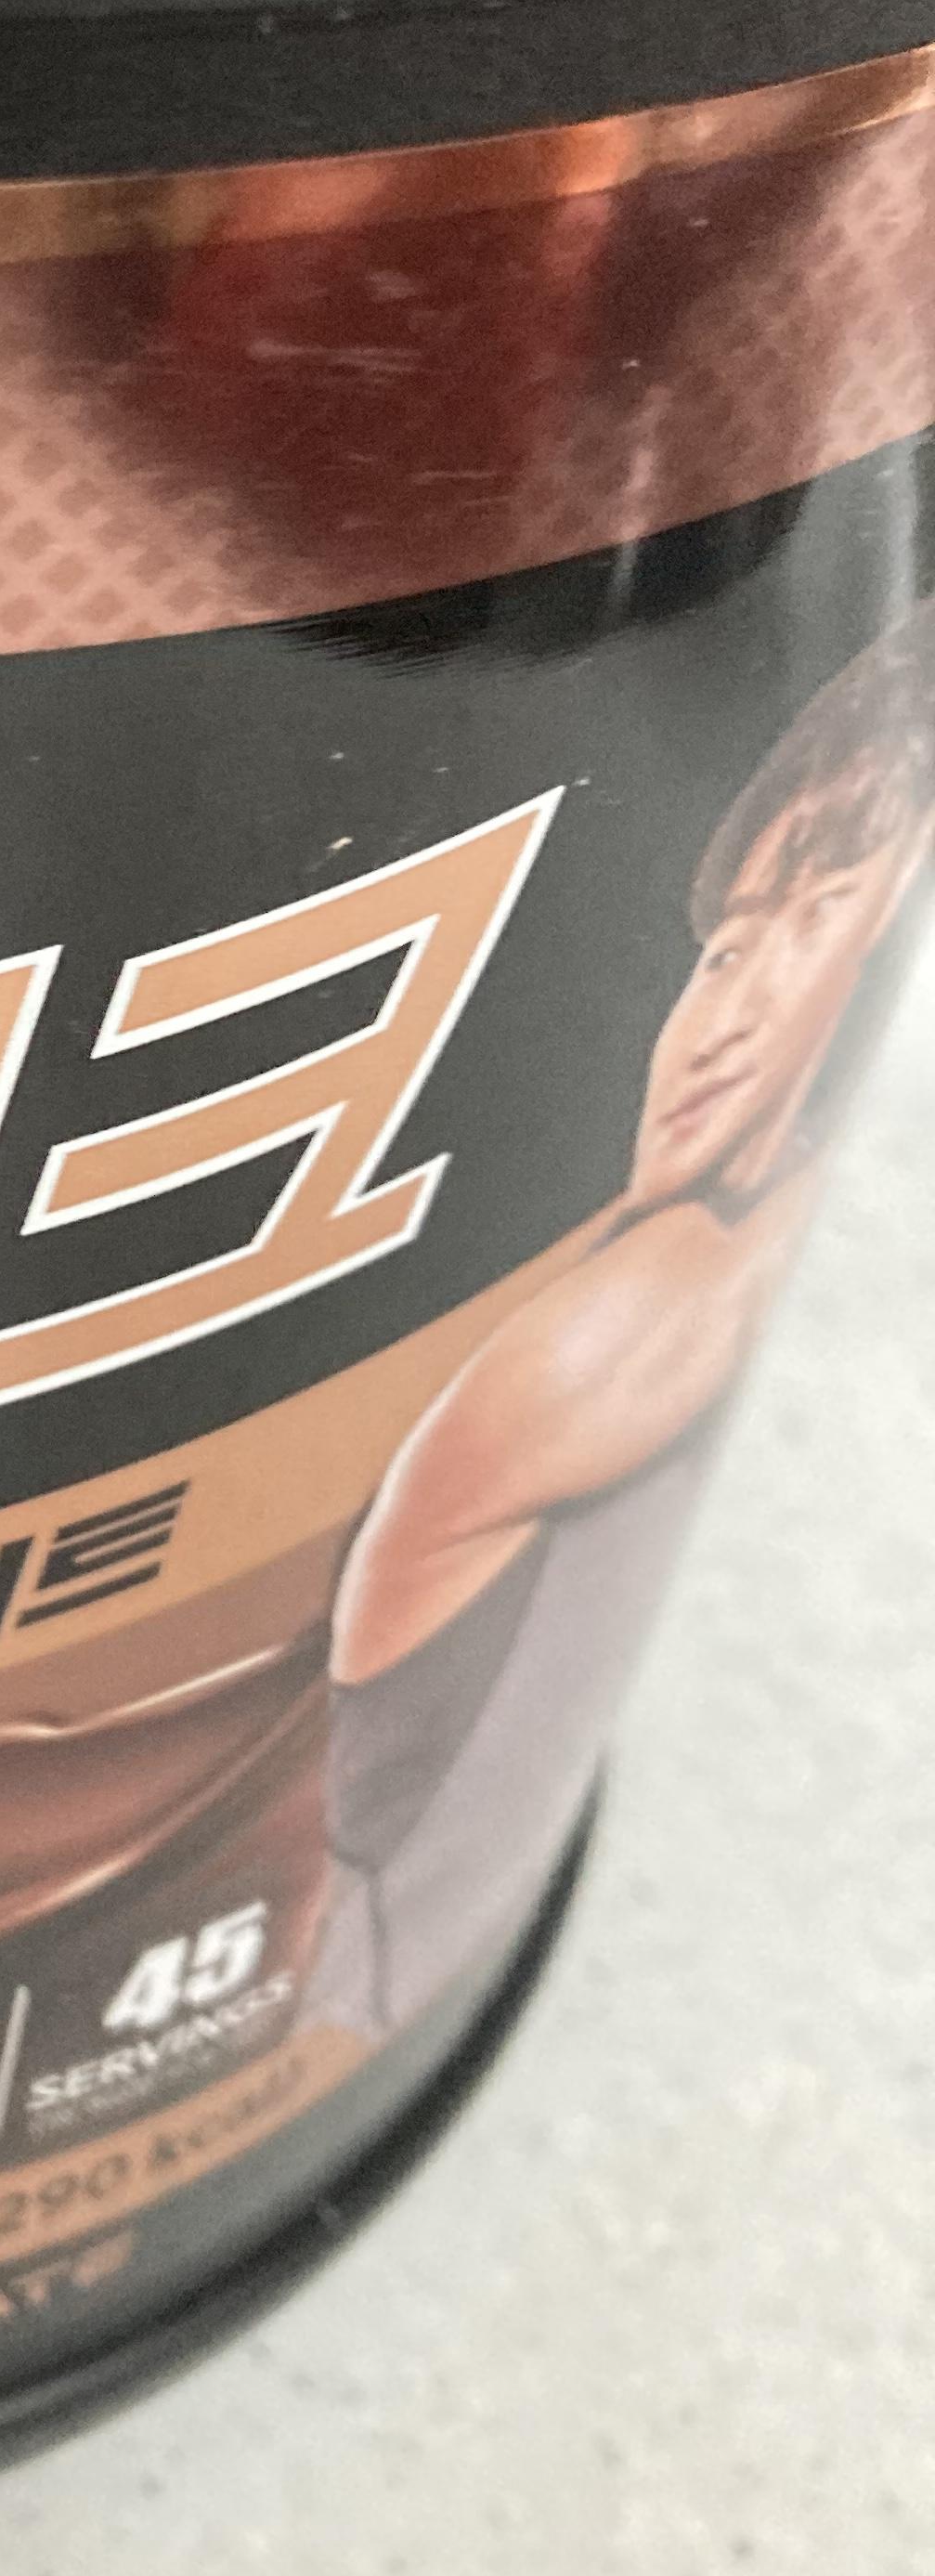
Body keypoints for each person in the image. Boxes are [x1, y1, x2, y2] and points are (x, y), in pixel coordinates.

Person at [305, 608, 935, 2038]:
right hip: (363, 2010)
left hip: (361, 2014)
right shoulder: (616, 1317)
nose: (718, 1015)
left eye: (813, 919)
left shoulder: (677, 1278)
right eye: (722, 950)